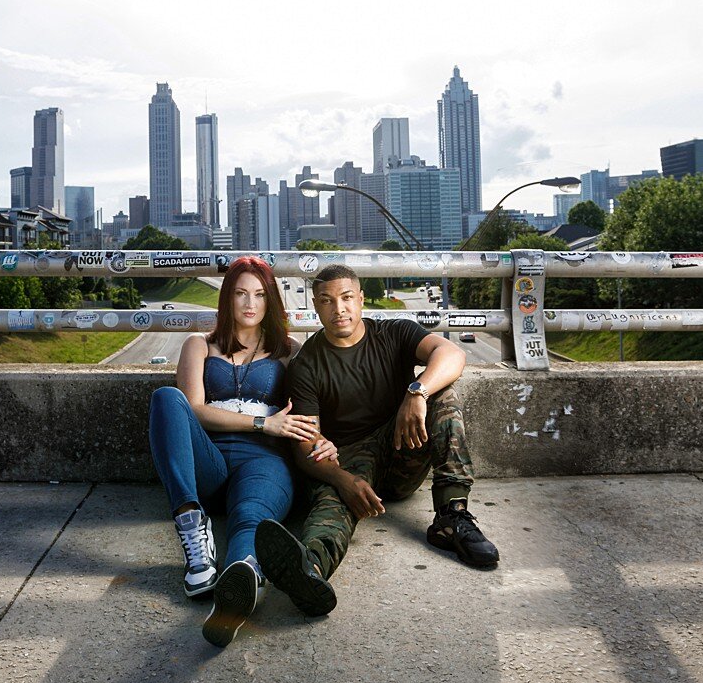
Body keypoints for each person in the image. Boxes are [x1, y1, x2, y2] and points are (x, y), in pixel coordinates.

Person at [254, 263, 498, 617]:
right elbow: (306, 444)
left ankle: (451, 516)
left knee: (444, 397)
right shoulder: (306, 364)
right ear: (315, 306)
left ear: (361, 299)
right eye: (327, 300)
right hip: (348, 462)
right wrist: (344, 480)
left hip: (402, 449)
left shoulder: (394, 333)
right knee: (331, 506)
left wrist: (417, 391)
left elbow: (452, 354)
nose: (339, 309)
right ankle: (309, 570)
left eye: (347, 298)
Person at [146, 257, 336, 648]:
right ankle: (192, 530)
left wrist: (324, 440)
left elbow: (309, 408)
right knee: (166, 398)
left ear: (271, 302)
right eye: (240, 293)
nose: (250, 303)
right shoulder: (198, 345)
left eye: (260, 295)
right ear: (226, 298)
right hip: (209, 461)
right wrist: (261, 422)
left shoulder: (289, 351)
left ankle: (241, 582)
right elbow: (194, 408)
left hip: (265, 461)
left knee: (251, 519)